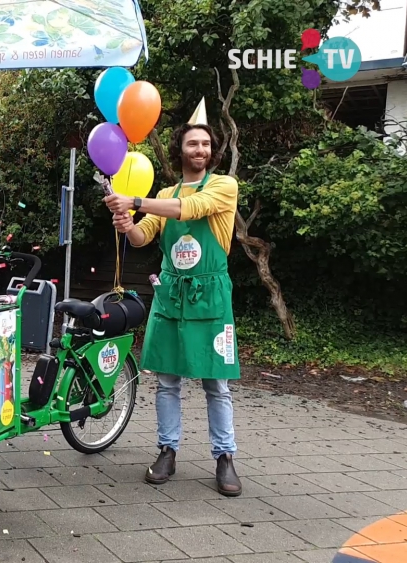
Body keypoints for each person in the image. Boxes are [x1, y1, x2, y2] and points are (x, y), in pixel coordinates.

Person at [105, 99, 243, 497]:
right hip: (170, 297)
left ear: (211, 151)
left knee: (216, 384)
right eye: (192, 144)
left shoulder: (223, 186)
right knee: (167, 382)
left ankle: (225, 457)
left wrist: (134, 201)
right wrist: (127, 223)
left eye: (204, 144)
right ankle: (167, 450)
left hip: (211, 297)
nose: (199, 150)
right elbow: (143, 237)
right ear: (180, 149)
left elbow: (191, 208)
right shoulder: (165, 191)